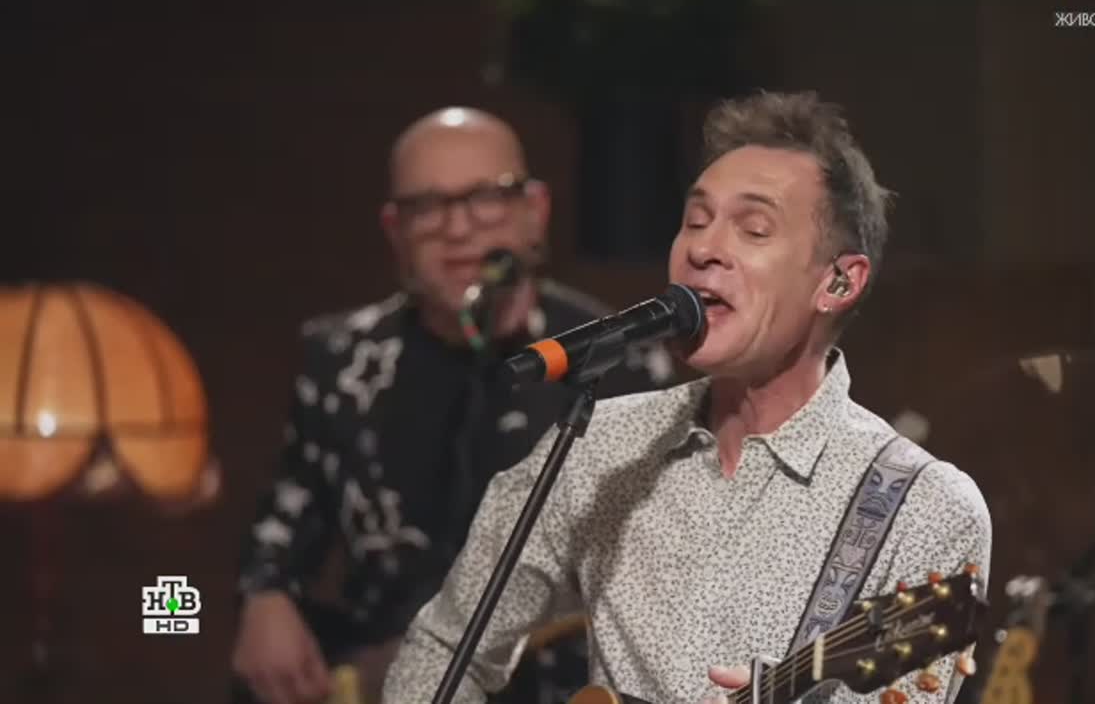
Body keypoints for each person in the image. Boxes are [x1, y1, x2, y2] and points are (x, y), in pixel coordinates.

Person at [383, 90, 993, 704]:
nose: (702, 249)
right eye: (696, 221)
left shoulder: (923, 508)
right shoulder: (602, 449)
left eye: (753, 229)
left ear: (838, 281)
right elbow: (447, 644)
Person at [231, 107, 674, 704]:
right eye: (428, 207)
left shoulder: (618, 360)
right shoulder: (341, 360)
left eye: (486, 198)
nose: (458, 228)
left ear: (535, 211)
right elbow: (281, 529)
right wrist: (264, 600)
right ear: (395, 230)